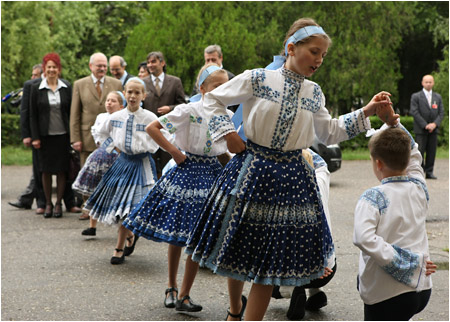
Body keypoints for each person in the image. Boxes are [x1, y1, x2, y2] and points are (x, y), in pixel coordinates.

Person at [185, 17, 397, 321]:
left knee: (267, 266)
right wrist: (226, 132)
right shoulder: (258, 78)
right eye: (314, 52)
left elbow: (330, 132)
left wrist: (368, 110)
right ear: (290, 48)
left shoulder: (314, 93)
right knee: (242, 248)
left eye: (323, 54)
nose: (319, 60)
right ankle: (234, 311)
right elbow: (213, 100)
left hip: (293, 180)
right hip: (253, 172)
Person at [123, 64, 231, 313]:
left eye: (226, 86)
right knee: (180, 236)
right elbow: (153, 128)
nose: (223, 90)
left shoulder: (225, 114)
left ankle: (184, 293)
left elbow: (221, 149)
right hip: (189, 172)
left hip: (212, 174)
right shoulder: (189, 109)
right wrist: (175, 152)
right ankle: (172, 287)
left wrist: (233, 171)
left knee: (196, 237)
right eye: (217, 86)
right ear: (202, 88)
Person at [353, 121, 436, 321]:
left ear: (378, 163)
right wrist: (394, 122)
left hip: (387, 293)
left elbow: (363, 238)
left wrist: (409, 263)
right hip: (422, 289)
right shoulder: (418, 187)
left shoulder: (373, 197)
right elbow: (415, 152)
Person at [84, 78, 169, 264]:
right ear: (125, 93)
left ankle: (124, 241)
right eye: (129, 92)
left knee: (134, 209)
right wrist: (113, 147)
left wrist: (155, 148)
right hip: (122, 164)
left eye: (137, 93)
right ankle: (123, 243)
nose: (132, 96)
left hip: (142, 165)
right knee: (121, 208)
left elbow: (167, 135)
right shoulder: (115, 118)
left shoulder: (150, 118)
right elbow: (101, 133)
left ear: (143, 95)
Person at [271, 149, 337, 321]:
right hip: (327, 270)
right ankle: (316, 292)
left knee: (276, 253)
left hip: (300, 271)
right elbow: (321, 163)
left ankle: (290, 289)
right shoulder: (320, 181)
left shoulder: (285, 198)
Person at [70, 52, 123, 220]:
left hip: (113, 139)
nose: (102, 68)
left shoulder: (116, 83)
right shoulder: (80, 84)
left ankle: (108, 207)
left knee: (110, 174)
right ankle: (88, 208)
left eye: (104, 66)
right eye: (98, 65)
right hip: (87, 137)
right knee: (88, 174)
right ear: (90, 66)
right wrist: (75, 138)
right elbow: (75, 113)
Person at [72, 91, 125, 236]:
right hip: (100, 156)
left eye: (113, 101)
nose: (109, 103)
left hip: (117, 158)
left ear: (121, 105)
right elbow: (95, 131)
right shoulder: (101, 117)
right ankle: (92, 225)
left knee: (115, 192)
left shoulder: (123, 117)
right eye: (108, 100)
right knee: (94, 190)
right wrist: (99, 143)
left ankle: (123, 228)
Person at [29, 53, 72, 218]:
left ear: (58, 69)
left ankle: (59, 204)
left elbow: (71, 112)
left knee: (62, 171)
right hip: (44, 137)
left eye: (54, 67)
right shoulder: (36, 88)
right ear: (44, 70)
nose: (52, 70)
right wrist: (35, 137)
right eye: (49, 67)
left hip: (62, 136)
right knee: (45, 171)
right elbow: (33, 115)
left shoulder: (66, 87)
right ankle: (48, 203)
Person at [142, 51, 187, 178]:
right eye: (148, 62)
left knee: (167, 166)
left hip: (169, 131)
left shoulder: (174, 81)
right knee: (150, 168)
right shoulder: (142, 82)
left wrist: (170, 108)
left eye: (153, 62)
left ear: (162, 63)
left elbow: (183, 105)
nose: (150, 65)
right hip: (149, 131)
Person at [9, 64, 46, 213]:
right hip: (35, 135)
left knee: (40, 170)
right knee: (37, 170)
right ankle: (27, 199)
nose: (32, 78)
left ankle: (28, 199)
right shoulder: (30, 87)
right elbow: (25, 112)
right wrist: (27, 135)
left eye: (35, 75)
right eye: (32, 75)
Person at [409, 74, 444, 180]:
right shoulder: (416, 96)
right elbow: (414, 111)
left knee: (431, 151)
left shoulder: (437, 97)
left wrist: (434, 124)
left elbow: (441, 112)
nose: (428, 84)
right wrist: (425, 125)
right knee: (419, 151)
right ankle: (419, 172)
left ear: (433, 83)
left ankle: (429, 172)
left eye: (430, 82)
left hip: (434, 129)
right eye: (426, 82)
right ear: (422, 83)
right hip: (420, 129)